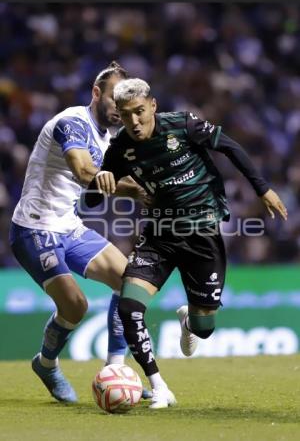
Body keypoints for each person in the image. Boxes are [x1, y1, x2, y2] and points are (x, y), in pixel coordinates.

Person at [90, 77, 288, 409]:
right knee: (129, 307)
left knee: (204, 327)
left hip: (201, 235)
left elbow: (230, 147)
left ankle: (189, 320)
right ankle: (159, 385)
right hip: (159, 234)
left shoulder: (182, 125)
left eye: (139, 111)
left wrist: (262, 188)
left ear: (152, 105)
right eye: (126, 115)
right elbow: (94, 198)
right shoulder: (121, 147)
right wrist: (101, 182)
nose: (134, 121)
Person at [9, 63, 152, 403]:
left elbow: (128, 176)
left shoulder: (111, 137)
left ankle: (115, 370)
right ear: (96, 93)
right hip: (34, 228)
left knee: (129, 281)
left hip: (68, 226)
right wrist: (130, 190)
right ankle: (46, 364)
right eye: (114, 101)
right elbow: (83, 169)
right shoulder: (71, 122)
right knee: (75, 306)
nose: (119, 110)